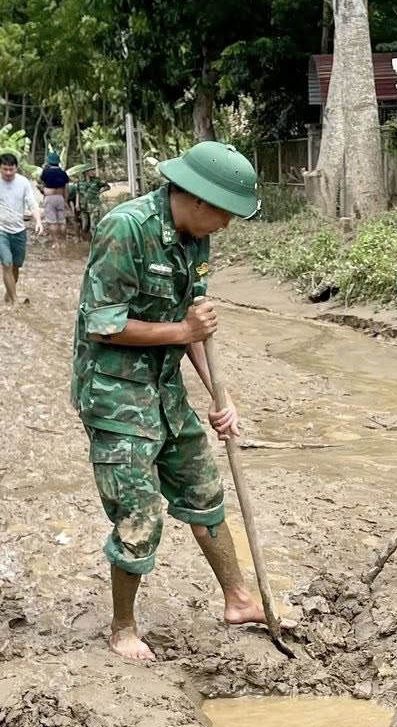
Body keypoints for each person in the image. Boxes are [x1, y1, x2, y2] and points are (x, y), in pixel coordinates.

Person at [72, 140, 266, 661]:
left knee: (205, 491)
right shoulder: (126, 227)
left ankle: (239, 599)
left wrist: (220, 397)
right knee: (140, 515)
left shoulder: (195, 240)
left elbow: (194, 331)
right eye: (225, 213)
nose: (227, 225)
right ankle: (122, 627)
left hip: (165, 390)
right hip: (115, 395)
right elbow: (103, 324)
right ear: (198, 199)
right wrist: (183, 327)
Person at [0, 152, 42, 304]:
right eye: (5, 169)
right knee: (7, 263)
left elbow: (32, 204)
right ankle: (15, 301)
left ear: (16, 168)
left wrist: (38, 221)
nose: (8, 173)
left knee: (16, 266)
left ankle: (9, 294)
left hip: (18, 230)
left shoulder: (23, 182)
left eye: (11, 169)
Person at [39, 150, 70, 238]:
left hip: (49, 198)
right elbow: (66, 188)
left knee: (52, 222)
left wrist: (45, 168)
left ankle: (56, 242)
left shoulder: (46, 172)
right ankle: (63, 241)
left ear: (49, 162)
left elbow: (40, 181)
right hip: (60, 197)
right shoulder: (63, 173)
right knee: (62, 221)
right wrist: (65, 201)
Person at [72, 163, 104, 242]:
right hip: (83, 206)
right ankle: (86, 240)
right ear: (86, 172)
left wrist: (100, 192)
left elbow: (106, 186)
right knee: (85, 226)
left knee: (94, 225)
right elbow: (78, 192)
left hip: (94, 205)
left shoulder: (97, 180)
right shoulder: (80, 182)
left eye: (93, 170)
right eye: (91, 170)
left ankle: (95, 242)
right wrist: (77, 204)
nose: (93, 172)